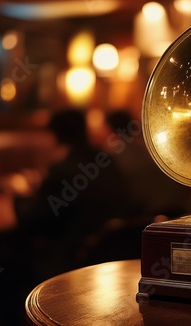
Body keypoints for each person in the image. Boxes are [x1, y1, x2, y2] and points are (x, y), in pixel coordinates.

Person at [15, 109, 134, 278]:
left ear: (54, 136)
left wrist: (18, 197)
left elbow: (33, 219)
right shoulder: (106, 160)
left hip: (75, 261)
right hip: (115, 253)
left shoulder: (62, 170)